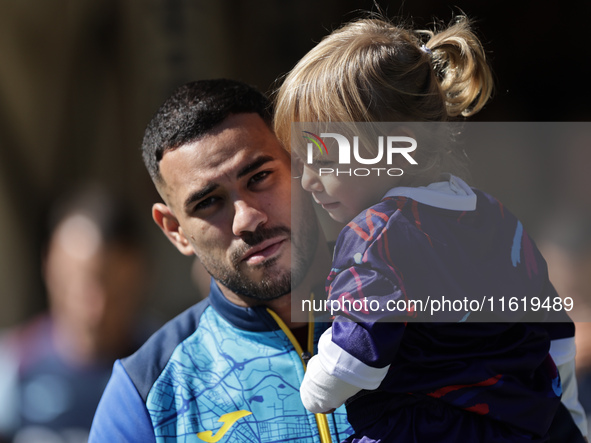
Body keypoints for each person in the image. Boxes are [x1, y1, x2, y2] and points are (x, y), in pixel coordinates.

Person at [273, 15, 587, 442]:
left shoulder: (374, 234)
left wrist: (314, 384)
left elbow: (354, 357)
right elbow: (556, 339)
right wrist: (572, 419)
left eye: (324, 159)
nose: (308, 180)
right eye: (301, 161)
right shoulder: (496, 216)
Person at [88, 79, 353, 442]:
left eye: (260, 177)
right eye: (208, 202)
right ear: (175, 231)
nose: (247, 218)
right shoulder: (147, 394)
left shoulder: (421, 307)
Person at [0, 186, 152, 443]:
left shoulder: (164, 366)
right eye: (79, 284)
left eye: (117, 290)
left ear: (139, 275)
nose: (97, 306)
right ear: (49, 265)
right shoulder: (13, 365)